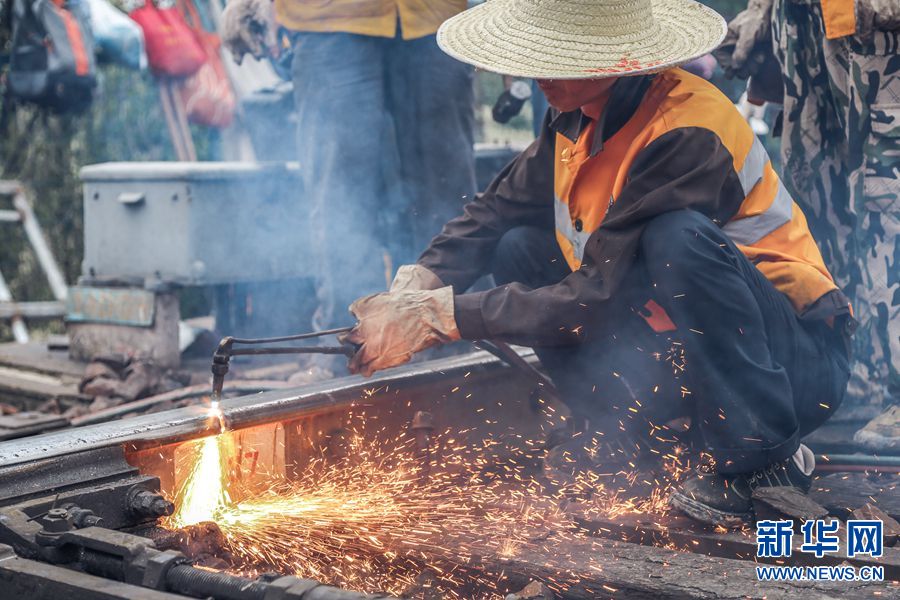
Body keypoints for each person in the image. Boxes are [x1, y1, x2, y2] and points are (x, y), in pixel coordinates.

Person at [343, 0, 853, 526]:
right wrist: (415, 285)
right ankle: (626, 436)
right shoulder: (575, 117)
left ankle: (762, 458)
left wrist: (440, 318)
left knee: (677, 237)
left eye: (556, 58)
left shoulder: (687, 131)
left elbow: (598, 295)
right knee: (518, 247)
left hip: (795, 365)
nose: (535, 74)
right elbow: (494, 212)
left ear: (616, 61)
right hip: (694, 349)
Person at [222, 0, 476, 334]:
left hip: (436, 17)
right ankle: (352, 339)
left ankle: (457, 332)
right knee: (339, 197)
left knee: (447, 187)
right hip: (329, 18)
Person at [716, 0, 899, 450]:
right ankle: (858, 372)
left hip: (882, 41)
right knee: (819, 202)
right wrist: (760, 17)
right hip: (808, 30)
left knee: (887, 210)